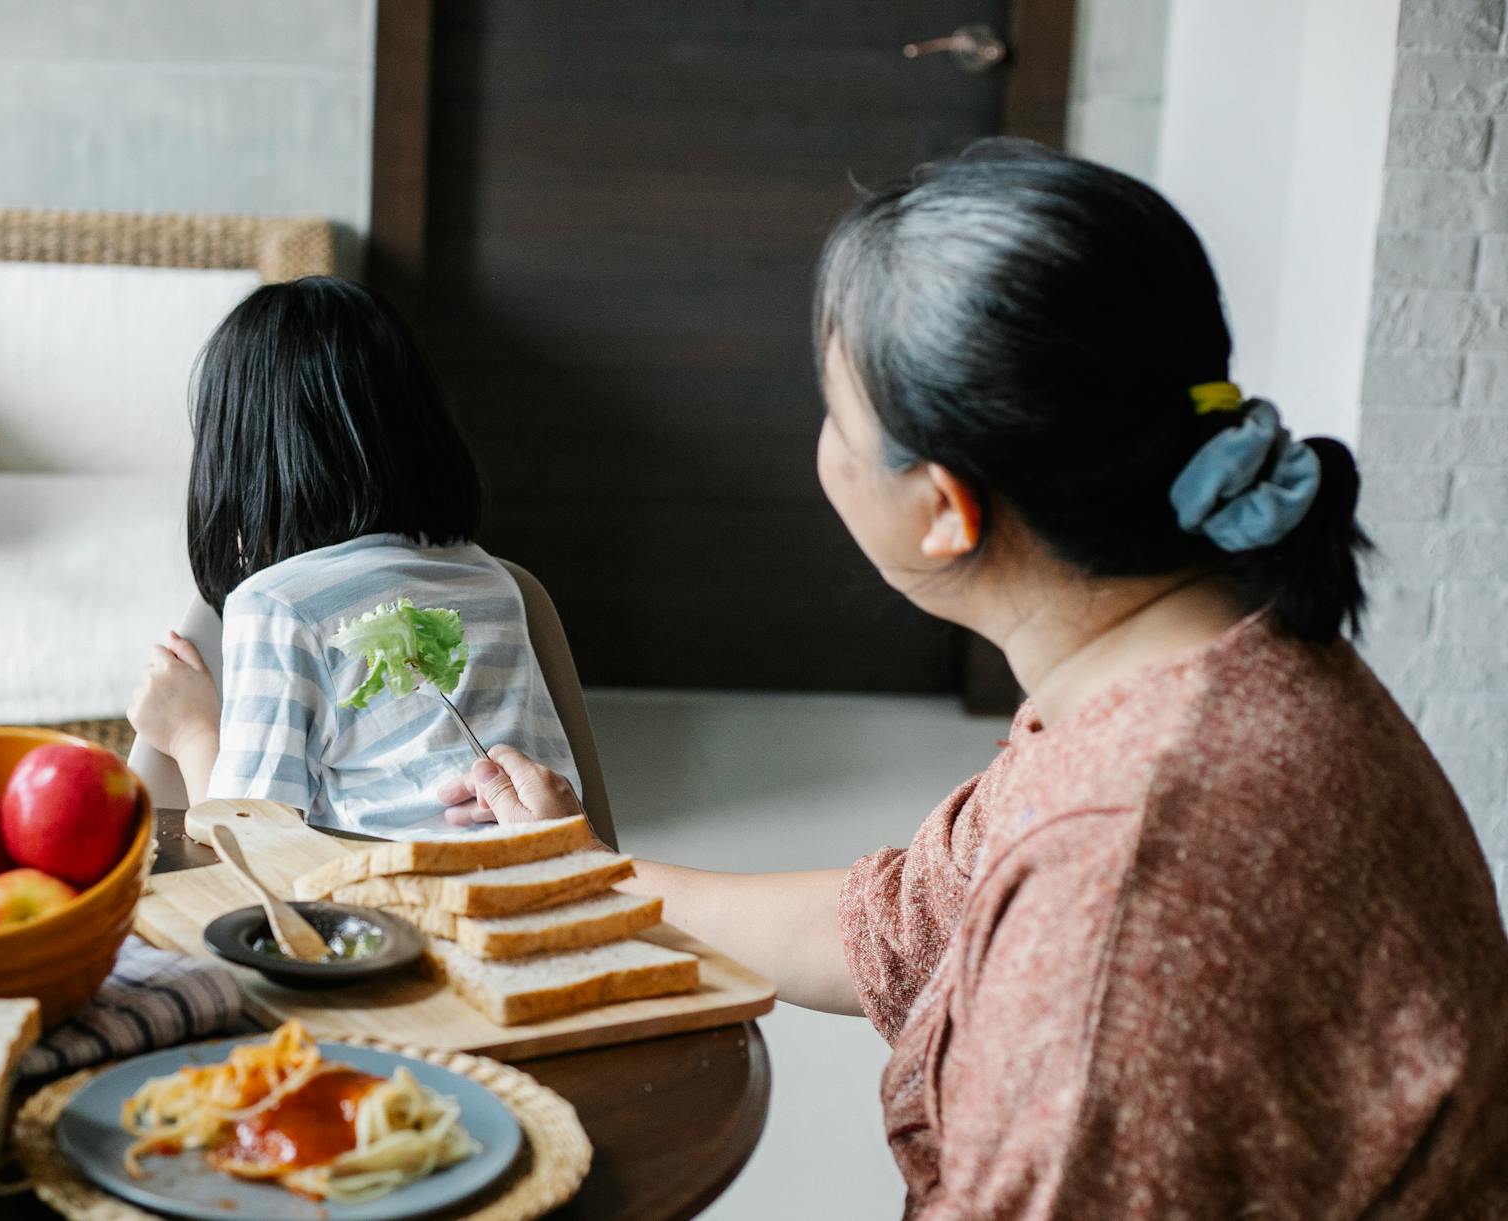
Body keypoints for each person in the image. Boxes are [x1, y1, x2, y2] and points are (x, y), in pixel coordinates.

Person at [437, 142, 1508, 1215]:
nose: (823, 451)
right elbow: (902, 930)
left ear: (943, 509)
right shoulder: (1187, 658)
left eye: (836, 418)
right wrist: (572, 878)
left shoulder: (1131, 867)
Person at [127, 276, 579, 836]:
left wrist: (192, 733)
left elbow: (249, 852)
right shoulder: (496, 586)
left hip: (397, 920)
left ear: (238, 466)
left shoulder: (277, 606)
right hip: (556, 889)